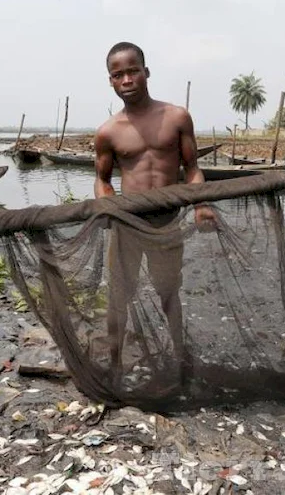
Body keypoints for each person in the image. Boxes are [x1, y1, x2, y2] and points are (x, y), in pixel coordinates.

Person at [93, 41, 216, 389]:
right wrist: (109, 207)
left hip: (166, 222)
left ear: (146, 72)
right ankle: (115, 365)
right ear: (111, 82)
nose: (127, 79)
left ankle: (179, 357)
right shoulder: (108, 131)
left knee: (168, 292)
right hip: (129, 224)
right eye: (118, 75)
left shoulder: (176, 117)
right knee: (119, 295)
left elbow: (192, 169)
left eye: (133, 71)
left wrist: (201, 204)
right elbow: (102, 181)